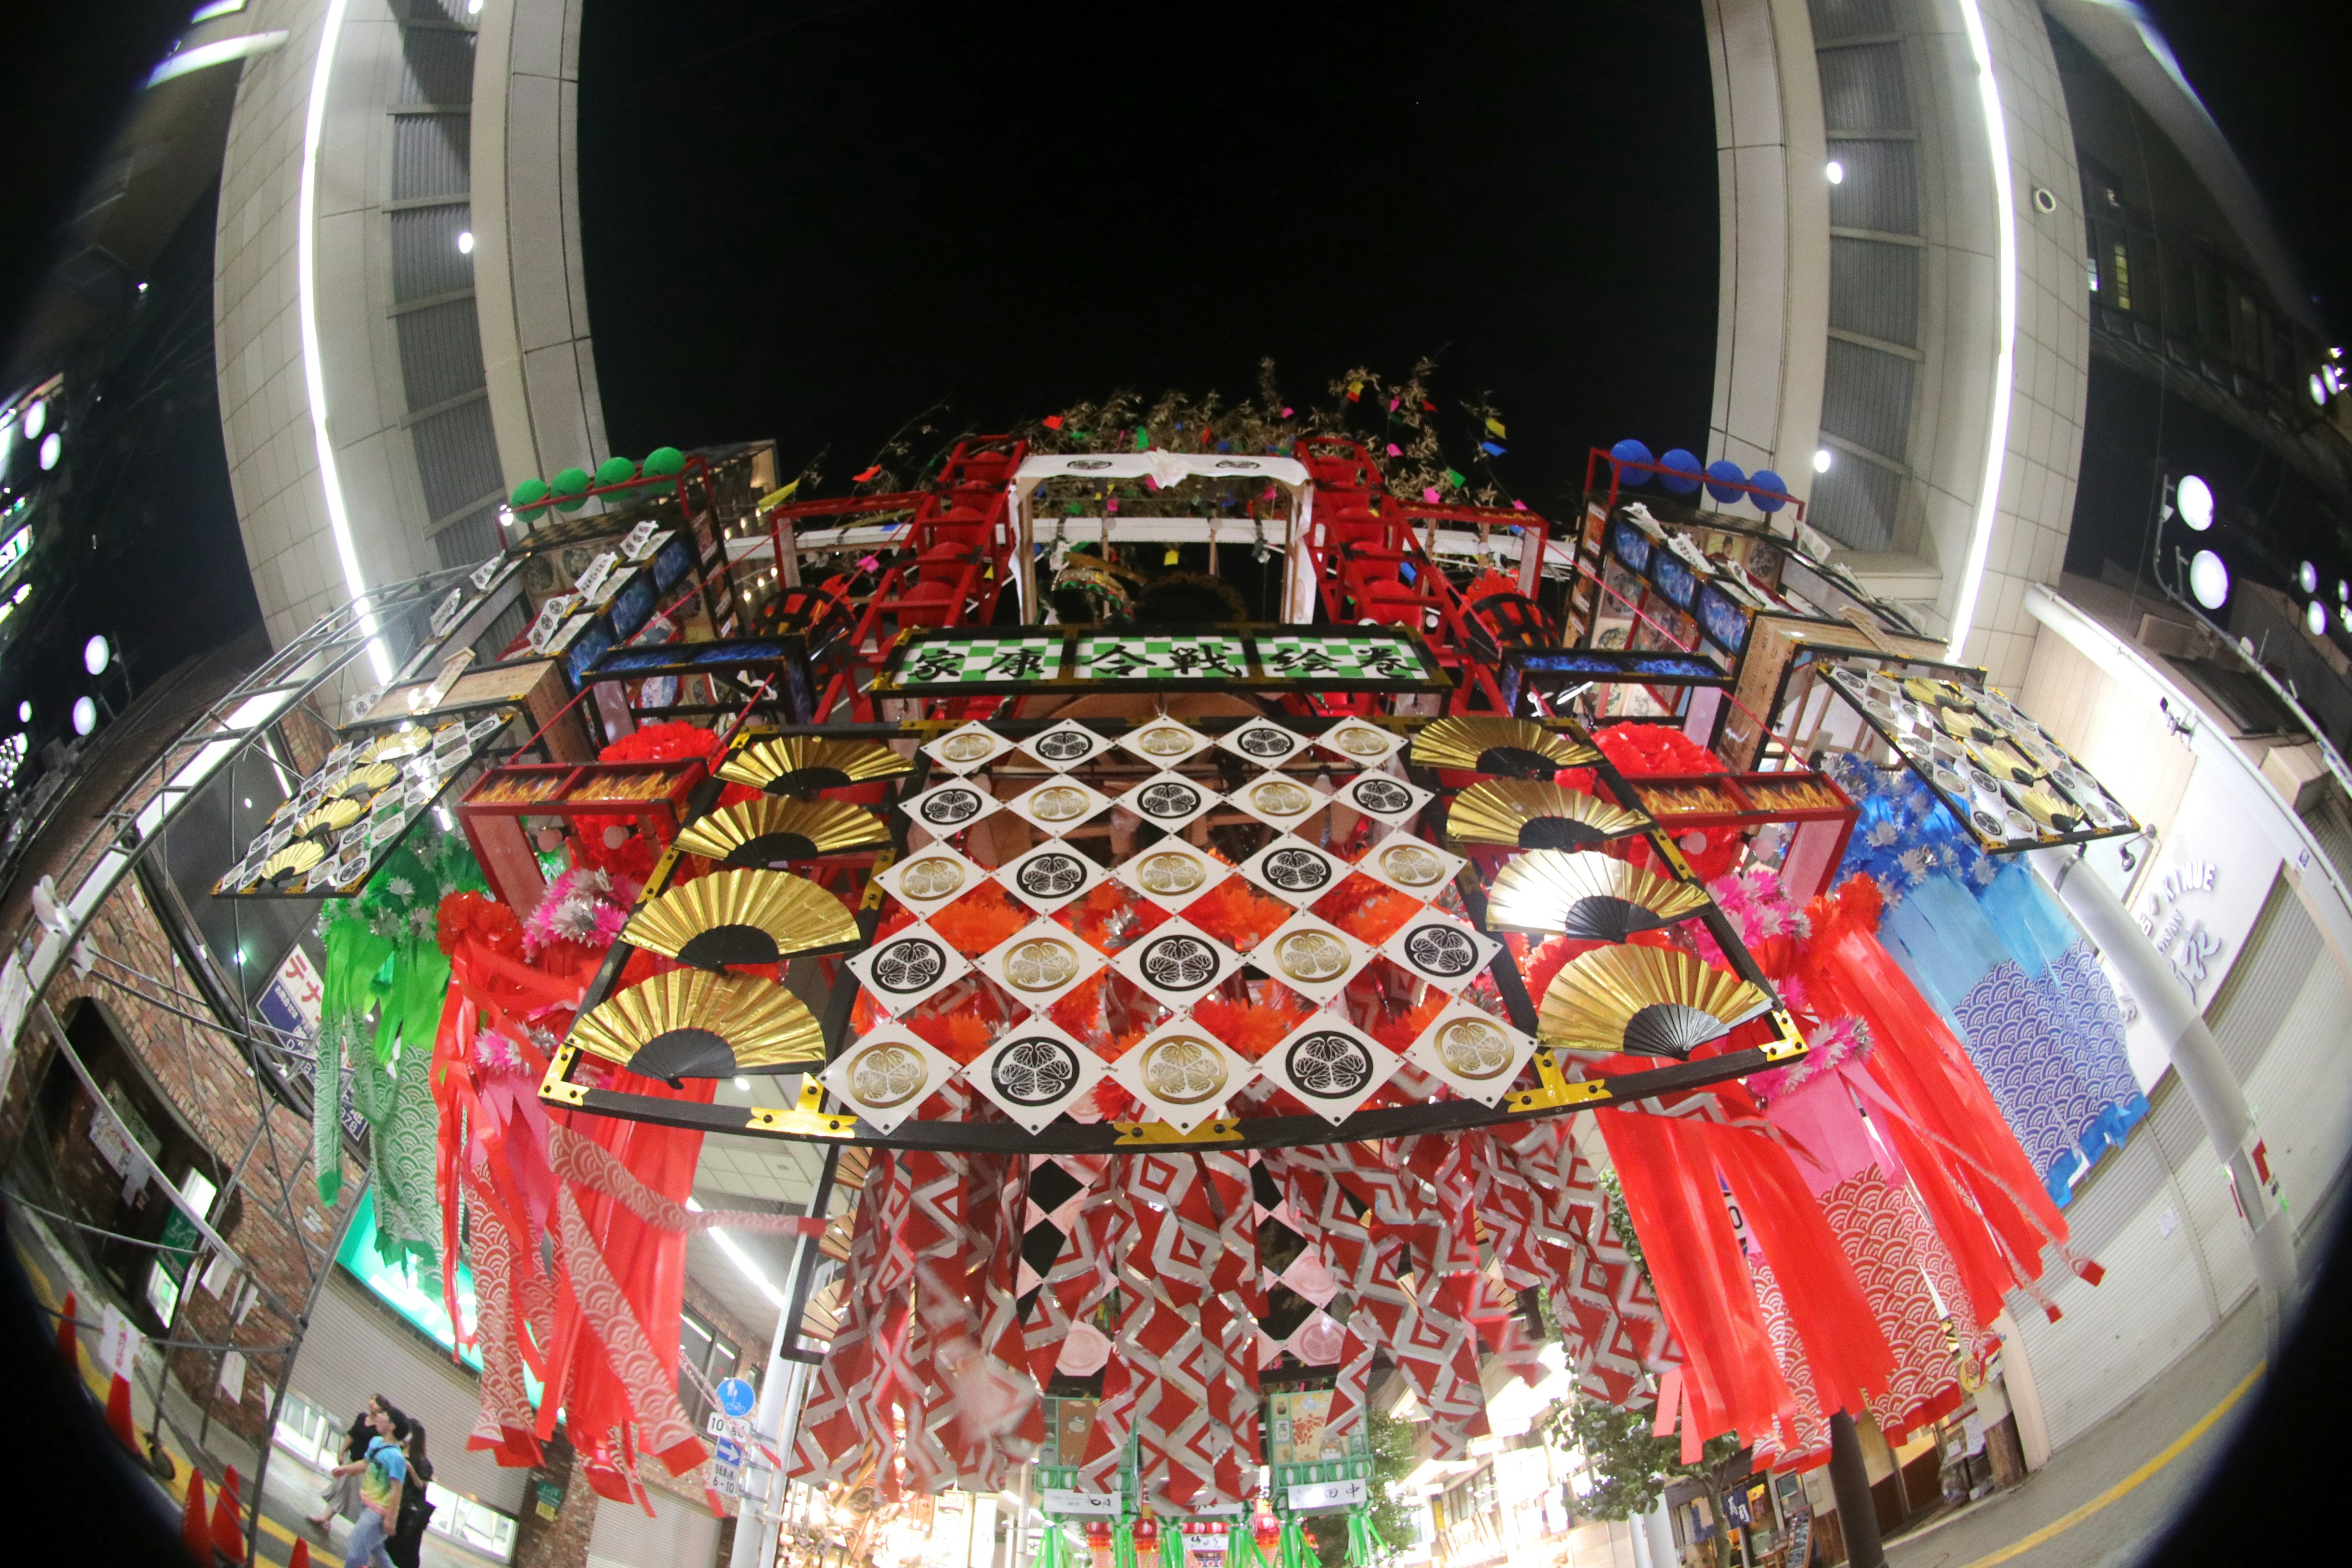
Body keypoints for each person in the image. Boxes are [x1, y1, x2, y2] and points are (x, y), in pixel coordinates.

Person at [328, 1400, 409, 1568]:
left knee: (357, 1545)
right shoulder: (376, 1442)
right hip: (367, 1504)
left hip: (378, 1512)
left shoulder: (396, 1458)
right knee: (376, 1549)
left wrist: (390, 1519)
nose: (378, 1417)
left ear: (392, 1426)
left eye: (383, 1415)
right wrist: (346, 1469)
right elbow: (366, 1464)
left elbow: (397, 1490)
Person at [307, 1398, 390, 1533]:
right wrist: (342, 1452)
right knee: (340, 1488)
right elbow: (351, 1435)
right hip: (351, 1459)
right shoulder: (362, 1417)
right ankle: (326, 1518)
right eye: (372, 1399)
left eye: (376, 1402)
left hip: (362, 1467)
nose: (371, 1403)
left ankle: (360, 1526)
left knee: (354, 1494)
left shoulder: (380, 1429)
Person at [385, 1420, 437, 1568]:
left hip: (409, 1513)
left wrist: (410, 1469)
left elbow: (422, 1486)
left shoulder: (421, 1461)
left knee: (405, 1551)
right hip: (393, 1504)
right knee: (387, 1545)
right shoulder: (397, 1450)